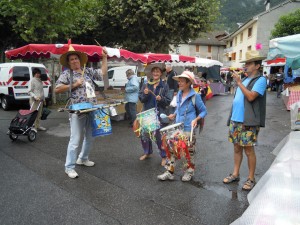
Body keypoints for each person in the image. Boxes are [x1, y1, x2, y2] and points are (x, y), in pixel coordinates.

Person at [55, 46, 108, 179]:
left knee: (90, 136)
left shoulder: (88, 71)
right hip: (77, 110)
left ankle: (83, 158)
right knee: (75, 139)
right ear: (69, 63)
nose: (74, 61)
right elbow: (57, 89)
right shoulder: (67, 74)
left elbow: (103, 73)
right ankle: (69, 167)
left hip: (91, 108)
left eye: (76, 58)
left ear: (80, 60)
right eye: (71, 59)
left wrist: (105, 58)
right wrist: (74, 84)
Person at [223, 50, 267, 191]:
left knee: (249, 150)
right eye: (246, 63)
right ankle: (235, 174)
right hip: (236, 120)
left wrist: (239, 82)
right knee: (236, 148)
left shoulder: (260, 80)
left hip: (248, 121)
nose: (245, 65)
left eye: (249, 63)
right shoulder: (246, 79)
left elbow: (251, 97)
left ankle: (251, 178)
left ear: (257, 66)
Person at [157, 71, 207, 181]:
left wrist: (196, 119)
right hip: (177, 127)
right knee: (172, 149)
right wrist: (173, 115)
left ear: (189, 83)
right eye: (179, 81)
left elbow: (204, 111)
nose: (179, 83)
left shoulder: (195, 96)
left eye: (182, 81)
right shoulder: (179, 94)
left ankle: (190, 171)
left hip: (189, 128)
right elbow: (178, 108)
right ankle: (169, 172)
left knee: (189, 151)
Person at [138, 67, 171, 166]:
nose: (155, 73)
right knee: (145, 135)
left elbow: (168, 101)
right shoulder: (146, 84)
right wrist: (145, 94)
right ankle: (147, 152)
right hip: (147, 113)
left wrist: (161, 99)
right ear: (151, 73)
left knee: (159, 136)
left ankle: (164, 156)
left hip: (159, 114)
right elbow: (141, 99)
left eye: (158, 71)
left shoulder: (164, 85)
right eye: (154, 71)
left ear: (161, 73)